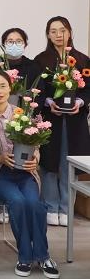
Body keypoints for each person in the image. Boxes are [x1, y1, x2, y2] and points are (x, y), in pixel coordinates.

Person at [0, 69, 59, 278]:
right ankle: (24, 256)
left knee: (35, 204)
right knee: (17, 202)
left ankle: (43, 256)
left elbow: (35, 143)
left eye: (2, 86)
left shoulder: (21, 112)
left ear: (10, 88)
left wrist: (35, 158)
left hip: (25, 172)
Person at [33, 16, 90, 227]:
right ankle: (50, 206)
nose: (59, 35)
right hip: (51, 119)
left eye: (63, 30)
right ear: (48, 35)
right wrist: (48, 102)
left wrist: (80, 102)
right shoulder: (40, 60)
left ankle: (67, 208)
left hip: (75, 120)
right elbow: (36, 89)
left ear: (70, 32)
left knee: (69, 161)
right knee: (49, 162)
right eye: (53, 31)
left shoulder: (83, 60)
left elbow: (88, 90)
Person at [0, 27, 43, 104]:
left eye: (19, 41)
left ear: (25, 44)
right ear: (4, 44)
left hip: (26, 110)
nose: (14, 45)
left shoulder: (33, 67)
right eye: (10, 41)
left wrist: (29, 110)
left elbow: (40, 94)